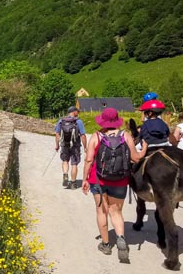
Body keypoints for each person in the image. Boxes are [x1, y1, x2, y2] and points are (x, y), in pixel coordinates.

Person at [82, 108, 142, 261]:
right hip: (120, 180)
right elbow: (135, 158)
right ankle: (121, 238)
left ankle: (106, 244)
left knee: (102, 211)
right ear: (117, 120)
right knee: (116, 212)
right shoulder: (125, 135)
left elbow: (89, 160)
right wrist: (145, 148)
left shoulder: (96, 136)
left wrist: (85, 179)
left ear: (102, 120)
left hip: (98, 180)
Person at [55, 106, 87, 189]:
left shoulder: (61, 121)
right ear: (74, 112)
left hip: (64, 145)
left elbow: (57, 134)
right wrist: (85, 147)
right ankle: (73, 183)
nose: (78, 113)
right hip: (75, 145)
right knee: (74, 164)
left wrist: (57, 145)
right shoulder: (78, 122)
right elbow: (83, 135)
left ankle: (65, 174)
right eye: (77, 111)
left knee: (65, 160)